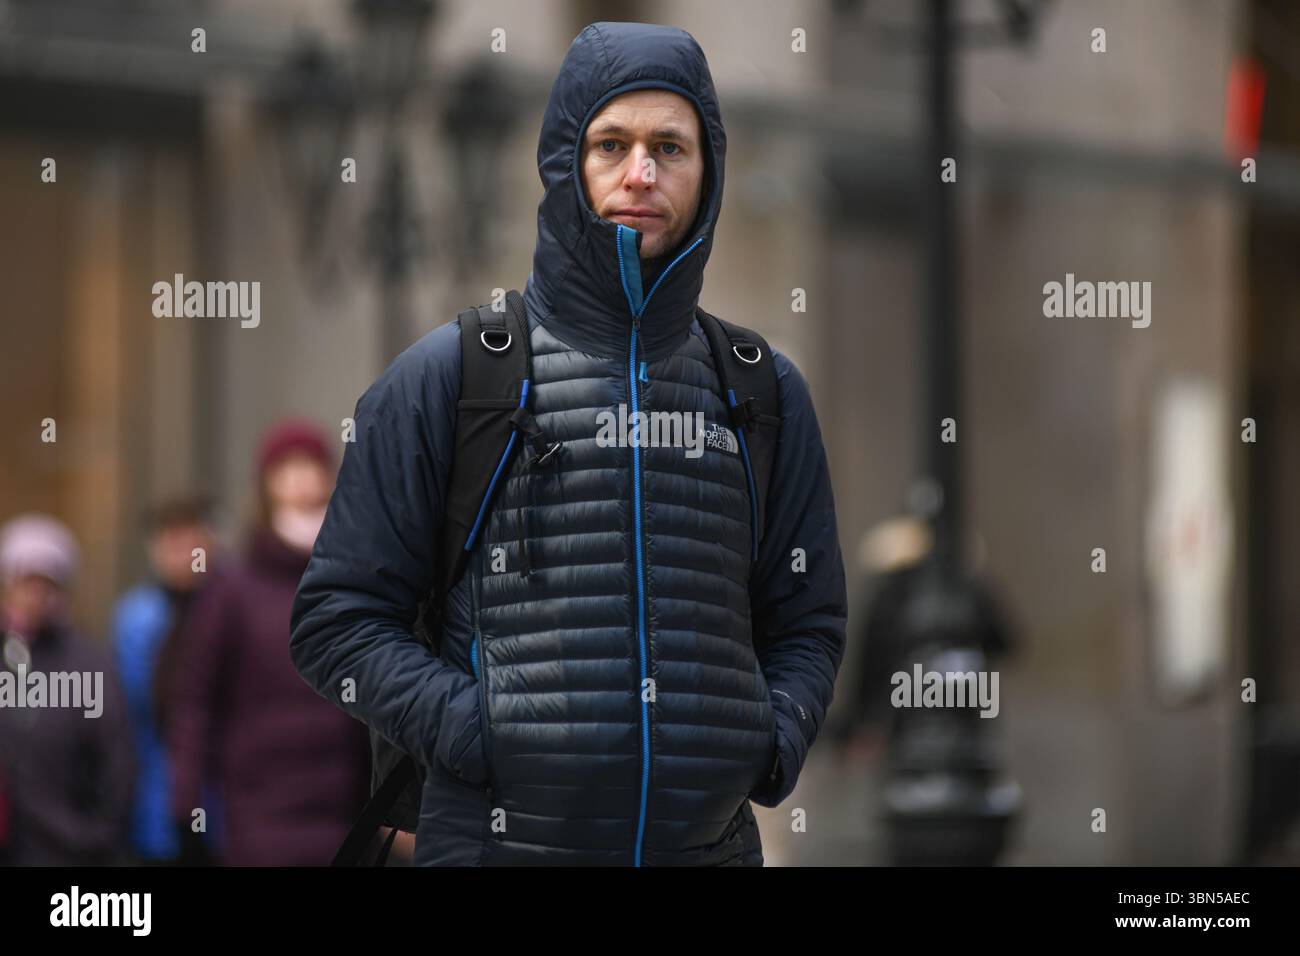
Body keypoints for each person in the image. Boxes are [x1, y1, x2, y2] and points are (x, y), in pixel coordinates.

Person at [291, 21, 847, 866]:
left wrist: (767, 740)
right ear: (566, 163)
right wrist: (480, 731)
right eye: (611, 144)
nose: (641, 173)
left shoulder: (762, 390)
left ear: (709, 170)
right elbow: (335, 622)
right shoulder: (453, 376)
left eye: (670, 147)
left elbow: (810, 620)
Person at [168, 420, 370, 865]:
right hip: (258, 815)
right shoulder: (232, 591)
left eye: (311, 466)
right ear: (266, 485)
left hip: (342, 812)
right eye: (286, 468)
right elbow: (195, 703)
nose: (300, 481)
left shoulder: (354, 579)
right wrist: (186, 802)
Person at [0, 513, 134, 865]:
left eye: (46, 584)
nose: (35, 596)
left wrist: (94, 835)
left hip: (65, 850)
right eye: (25, 582)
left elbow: (116, 758)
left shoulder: (90, 663)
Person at [111, 495, 219, 864]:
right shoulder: (135, 618)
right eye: (171, 544)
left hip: (226, 808)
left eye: (190, 542)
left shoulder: (230, 609)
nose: (182, 555)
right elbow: (130, 716)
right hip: (155, 806)